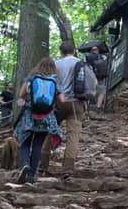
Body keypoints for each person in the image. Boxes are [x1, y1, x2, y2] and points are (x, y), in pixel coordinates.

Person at [13, 57, 64, 184]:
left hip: (30, 114)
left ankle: (24, 164)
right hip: (46, 117)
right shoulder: (55, 80)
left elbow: (21, 94)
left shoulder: (32, 77)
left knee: (25, 141)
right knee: (38, 145)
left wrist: (28, 100)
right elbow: (62, 100)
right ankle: (31, 177)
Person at [47, 41, 85, 174]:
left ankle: (41, 163)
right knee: (73, 135)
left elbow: (52, 83)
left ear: (61, 52)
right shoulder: (80, 63)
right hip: (76, 103)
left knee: (49, 131)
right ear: (74, 51)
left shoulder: (56, 64)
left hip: (58, 102)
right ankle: (68, 168)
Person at [86, 45, 107, 114]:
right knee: (101, 92)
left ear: (91, 50)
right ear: (98, 50)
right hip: (100, 77)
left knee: (89, 92)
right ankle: (98, 107)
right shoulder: (102, 57)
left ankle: (87, 108)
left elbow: (87, 68)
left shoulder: (88, 57)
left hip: (91, 78)